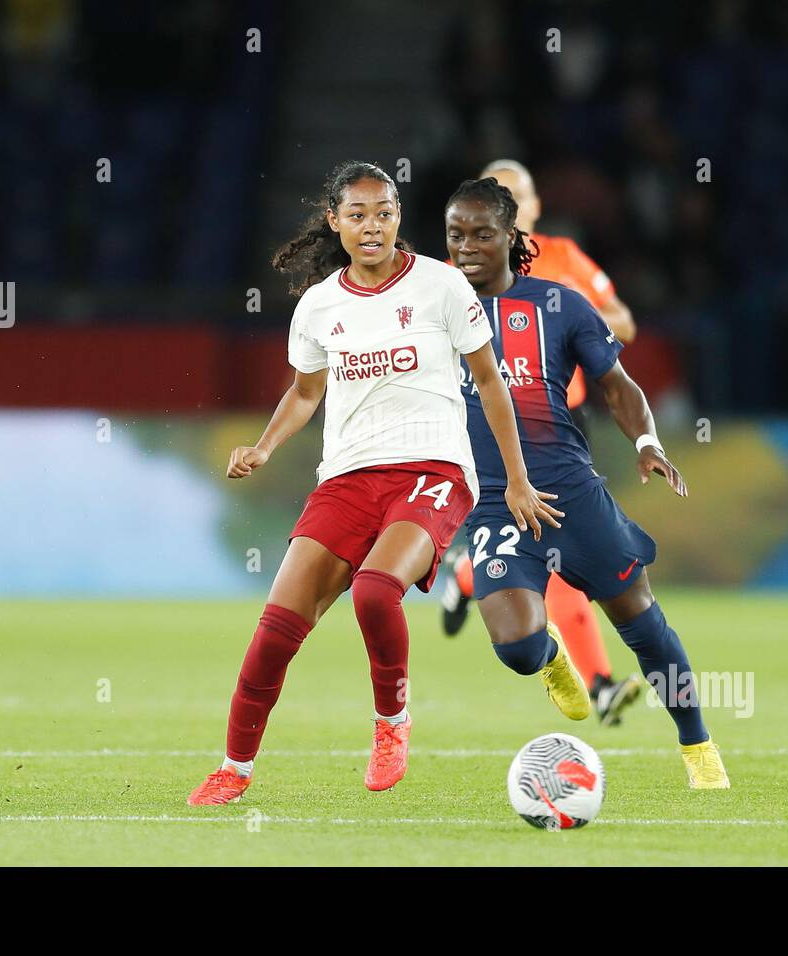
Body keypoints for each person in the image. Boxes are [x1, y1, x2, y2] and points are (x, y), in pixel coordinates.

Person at [187, 162, 566, 805]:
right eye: (357, 215)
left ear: (399, 217)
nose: (372, 227)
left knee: (373, 590)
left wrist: (519, 481)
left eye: (384, 213)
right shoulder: (318, 306)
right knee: (275, 631)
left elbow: (493, 384)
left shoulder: (443, 287)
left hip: (433, 472)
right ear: (334, 222)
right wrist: (263, 447)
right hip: (346, 479)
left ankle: (391, 722)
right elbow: (306, 393)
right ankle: (234, 767)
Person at [445, 177, 730, 788]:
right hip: (496, 504)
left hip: (572, 494)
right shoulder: (433, 312)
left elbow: (616, 384)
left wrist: (648, 443)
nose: (465, 246)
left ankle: (698, 746)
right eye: (455, 234)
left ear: (511, 237)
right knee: (517, 649)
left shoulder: (559, 304)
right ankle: (552, 659)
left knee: (643, 625)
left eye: (481, 234)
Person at [439, 159, 642, 726]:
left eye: (515, 196)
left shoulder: (564, 260)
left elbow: (623, 324)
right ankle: (599, 683)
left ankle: (466, 572)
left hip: (562, 423)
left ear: (532, 208)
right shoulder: (460, 268)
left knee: (551, 547)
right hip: (486, 421)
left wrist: (570, 307)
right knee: (553, 548)